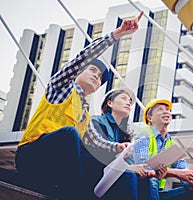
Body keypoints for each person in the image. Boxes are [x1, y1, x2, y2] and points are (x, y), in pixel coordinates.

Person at [15, 11, 144, 199]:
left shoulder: (85, 114)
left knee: (109, 164)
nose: (96, 76)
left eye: (100, 78)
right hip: (31, 156)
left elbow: (95, 141)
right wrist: (117, 34)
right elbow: (82, 57)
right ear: (78, 71)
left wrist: (118, 147)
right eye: (92, 70)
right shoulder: (60, 88)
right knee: (70, 133)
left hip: (55, 167)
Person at [90, 87, 167, 200]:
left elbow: (132, 164)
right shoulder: (96, 121)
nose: (128, 103)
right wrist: (128, 166)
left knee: (148, 180)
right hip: (97, 176)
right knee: (130, 174)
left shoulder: (125, 135)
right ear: (110, 103)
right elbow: (96, 154)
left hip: (116, 177)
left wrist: (152, 173)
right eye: (124, 98)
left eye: (130, 101)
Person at [133, 99, 193, 200]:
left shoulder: (171, 144)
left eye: (167, 109)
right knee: (152, 180)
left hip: (159, 192)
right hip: (139, 190)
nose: (166, 111)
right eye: (160, 109)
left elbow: (183, 169)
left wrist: (191, 180)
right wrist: (176, 173)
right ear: (149, 118)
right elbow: (143, 170)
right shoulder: (143, 137)